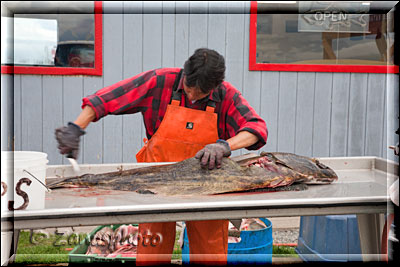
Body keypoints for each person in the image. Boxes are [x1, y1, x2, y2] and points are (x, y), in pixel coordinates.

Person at [55, 48, 267, 265]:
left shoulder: (226, 95)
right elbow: (107, 99)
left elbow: (257, 128)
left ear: (214, 87)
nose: (192, 97)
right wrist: (76, 127)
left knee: (210, 253)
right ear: (185, 75)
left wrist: (224, 146)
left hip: (207, 184)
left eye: (200, 94)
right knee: (152, 252)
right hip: (156, 183)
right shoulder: (159, 82)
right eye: (189, 89)